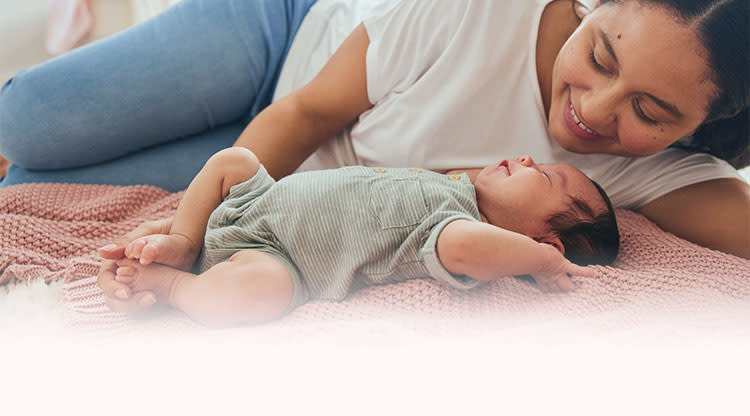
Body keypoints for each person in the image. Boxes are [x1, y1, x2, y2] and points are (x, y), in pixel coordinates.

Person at [0, 0, 747, 316]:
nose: (596, 108)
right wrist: (195, 235)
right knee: (26, 121)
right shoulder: (481, 13)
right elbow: (305, 112)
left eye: (651, 112)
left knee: (30, 184)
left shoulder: (664, 174)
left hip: (290, 182)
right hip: (287, 44)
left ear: (708, 124)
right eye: (601, 53)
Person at [107, 147, 619, 327]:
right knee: (233, 162)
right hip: (251, 202)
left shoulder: (460, 229)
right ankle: (185, 240)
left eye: (548, 178)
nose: (529, 159)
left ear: (542, 242)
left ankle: (175, 286)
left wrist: (540, 264)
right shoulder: (452, 187)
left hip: (271, 257)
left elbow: (467, 250)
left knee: (261, 292)